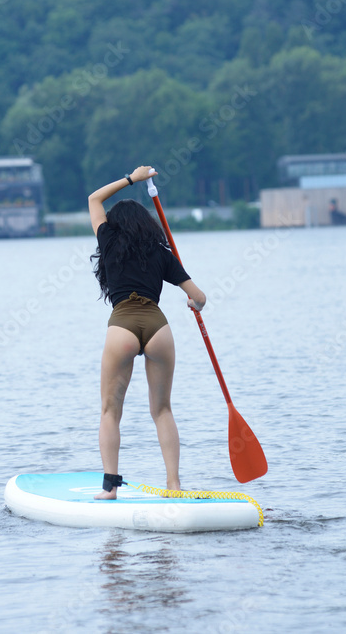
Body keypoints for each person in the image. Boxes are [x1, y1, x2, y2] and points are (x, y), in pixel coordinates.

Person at [88, 165, 207, 500]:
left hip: (122, 325)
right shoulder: (161, 252)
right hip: (158, 327)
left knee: (111, 411)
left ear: (115, 225)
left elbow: (94, 198)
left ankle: (110, 487)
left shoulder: (108, 239)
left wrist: (130, 180)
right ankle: (174, 485)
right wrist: (194, 305)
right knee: (162, 410)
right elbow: (199, 297)